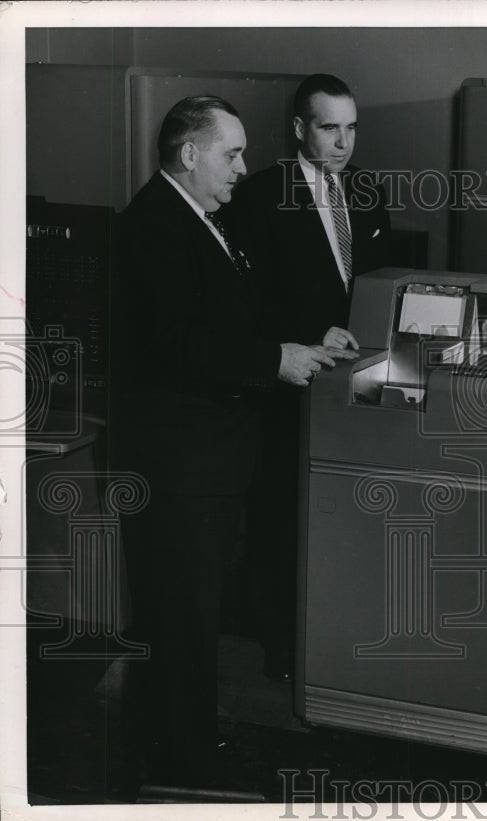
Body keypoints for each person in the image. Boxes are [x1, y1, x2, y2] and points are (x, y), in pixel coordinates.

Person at [110, 95, 355, 789]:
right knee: (180, 615)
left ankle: (181, 741)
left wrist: (304, 338)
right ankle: (179, 760)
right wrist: (275, 360)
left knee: (191, 614)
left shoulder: (200, 218)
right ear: (190, 154)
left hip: (206, 462)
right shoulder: (153, 227)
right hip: (178, 466)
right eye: (233, 153)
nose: (243, 168)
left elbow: (235, 315)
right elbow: (180, 344)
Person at [228, 74, 392, 682]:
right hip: (289, 384)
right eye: (329, 128)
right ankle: (282, 649)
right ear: (300, 128)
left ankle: (336, 645)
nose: (343, 143)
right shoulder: (260, 195)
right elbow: (244, 302)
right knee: (280, 516)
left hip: (355, 382)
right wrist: (310, 331)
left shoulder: (367, 190)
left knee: (345, 512)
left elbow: (377, 283)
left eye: (351, 129)